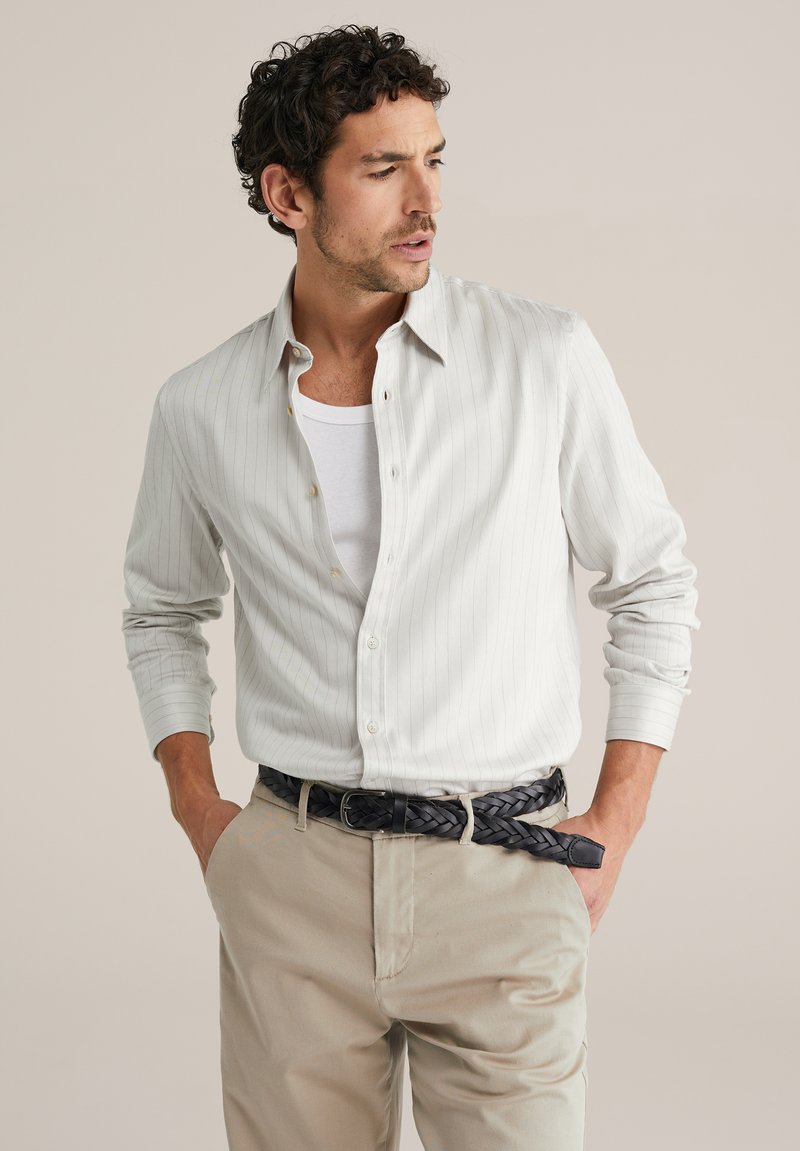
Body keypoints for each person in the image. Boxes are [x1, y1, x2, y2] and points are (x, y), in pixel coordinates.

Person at [121, 23, 700, 1151]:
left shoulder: (542, 359)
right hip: (292, 881)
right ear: (288, 194)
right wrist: (203, 814)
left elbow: (652, 581)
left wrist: (616, 823)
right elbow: (162, 609)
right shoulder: (200, 406)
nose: (425, 198)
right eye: (383, 169)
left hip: (507, 872)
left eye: (434, 160)